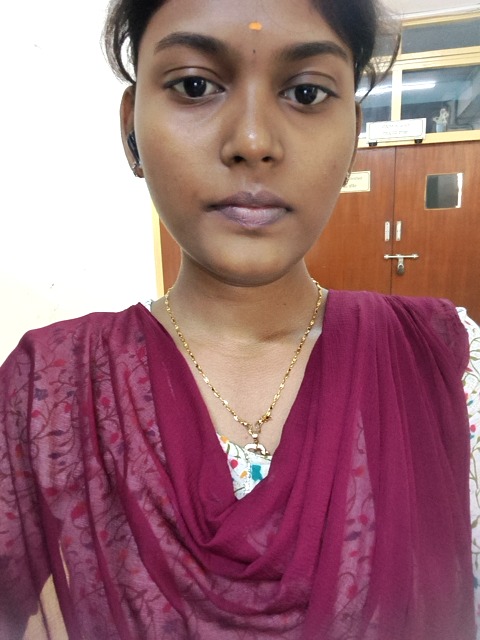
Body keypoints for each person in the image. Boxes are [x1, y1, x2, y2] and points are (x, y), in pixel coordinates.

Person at [1, 0, 479, 638]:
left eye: (306, 92)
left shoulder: (451, 371)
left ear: (354, 135)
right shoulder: (45, 395)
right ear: (130, 130)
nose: (253, 142)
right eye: (195, 86)